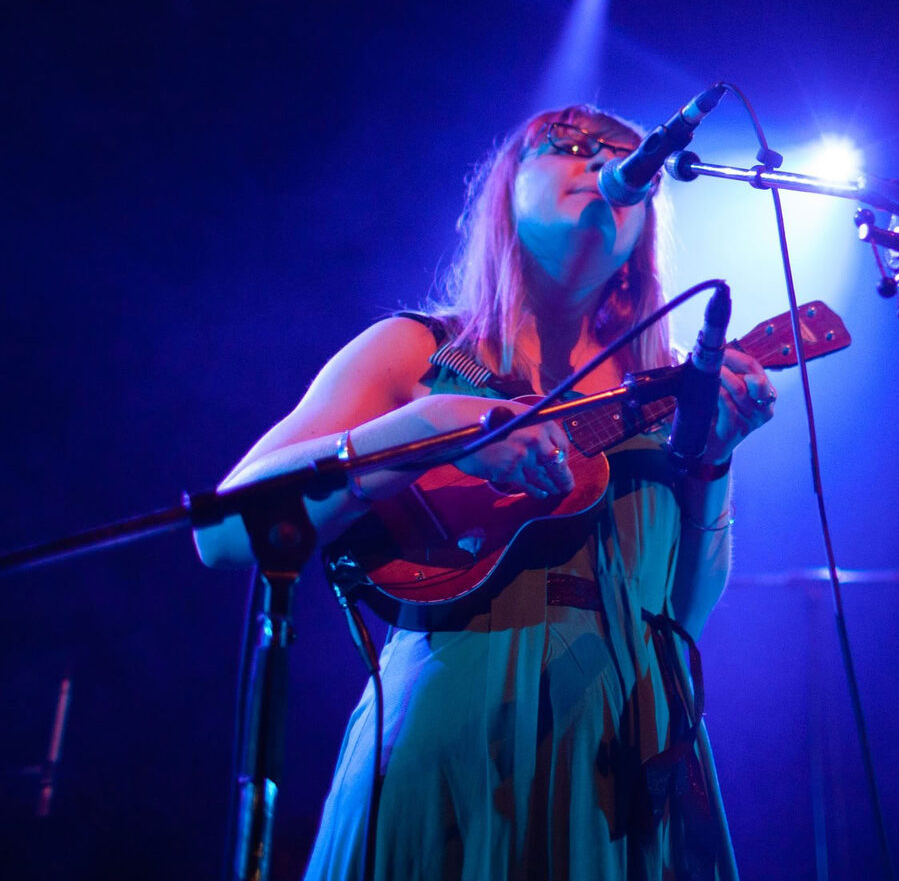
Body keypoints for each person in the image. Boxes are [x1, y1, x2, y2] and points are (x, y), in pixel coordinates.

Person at [193, 105, 774, 880]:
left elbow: (681, 618)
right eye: (566, 146)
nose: (600, 161)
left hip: (625, 747)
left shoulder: (666, 388)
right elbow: (224, 533)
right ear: (505, 192)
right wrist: (428, 425)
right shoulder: (420, 352)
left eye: (624, 155)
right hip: (454, 729)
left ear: (644, 233)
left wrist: (715, 462)